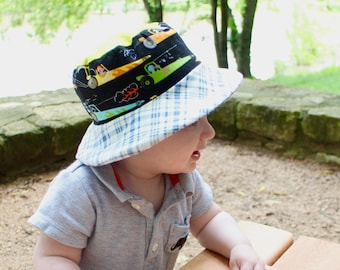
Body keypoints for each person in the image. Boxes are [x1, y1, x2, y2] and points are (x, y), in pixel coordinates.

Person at [29, 22, 274, 270]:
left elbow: (209, 219)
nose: (209, 133)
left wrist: (238, 246)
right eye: (191, 122)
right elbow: (53, 258)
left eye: (205, 118)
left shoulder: (183, 181)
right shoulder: (80, 190)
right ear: (140, 137)